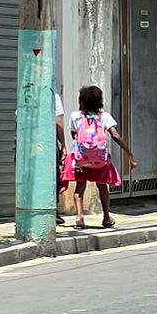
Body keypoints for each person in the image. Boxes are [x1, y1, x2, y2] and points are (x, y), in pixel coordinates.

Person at [62, 85, 135, 229]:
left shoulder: (76, 116)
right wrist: (129, 153)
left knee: (80, 186)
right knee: (102, 187)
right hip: (100, 161)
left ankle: (79, 217)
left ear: (82, 101)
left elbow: (73, 135)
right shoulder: (104, 117)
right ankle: (106, 217)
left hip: (81, 160)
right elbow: (115, 135)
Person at [54, 88, 67, 225]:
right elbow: (58, 122)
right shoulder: (53, 96)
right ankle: (53, 211)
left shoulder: (25, 92)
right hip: (47, 141)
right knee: (53, 175)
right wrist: (63, 145)